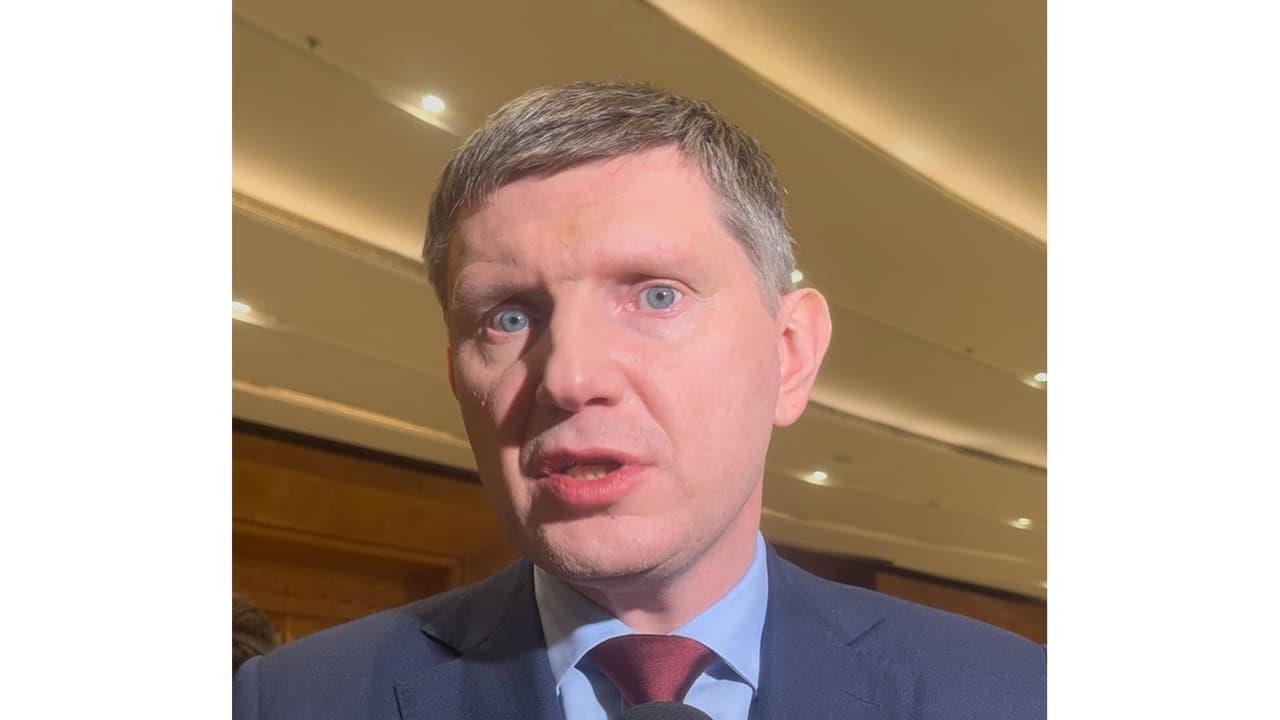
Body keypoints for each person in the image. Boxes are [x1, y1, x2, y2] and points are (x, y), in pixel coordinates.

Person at [233, 81, 1046, 719]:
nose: (569, 377)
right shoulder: (291, 703)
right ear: (458, 381)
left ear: (790, 354)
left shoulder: (1017, 697)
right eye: (508, 317)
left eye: (657, 295)